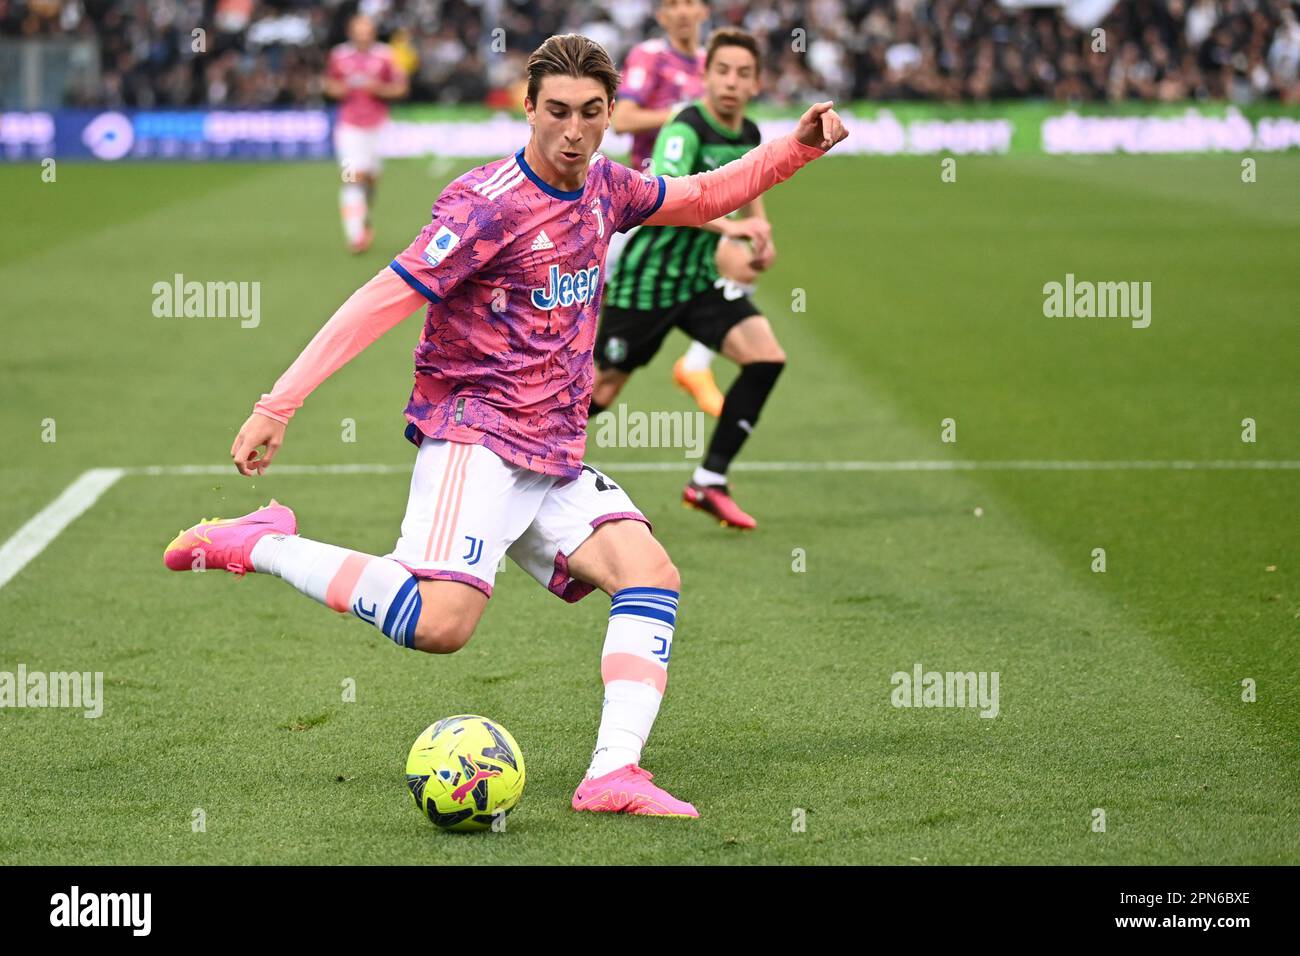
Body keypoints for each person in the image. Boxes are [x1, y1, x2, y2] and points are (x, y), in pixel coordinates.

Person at [163, 33, 846, 819]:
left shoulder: (608, 190)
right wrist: (277, 404)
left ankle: (611, 776)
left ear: (611, 115)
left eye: (592, 113)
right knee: (440, 626)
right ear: (528, 108)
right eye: (556, 111)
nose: (573, 130)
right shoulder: (486, 205)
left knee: (650, 574)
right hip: (476, 435)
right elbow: (382, 300)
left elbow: (698, 197)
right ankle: (259, 541)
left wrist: (796, 147)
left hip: (551, 448)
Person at [593, 28, 776, 529]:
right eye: (722, 71)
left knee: (765, 359)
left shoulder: (749, 135)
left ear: (757, 83)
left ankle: (709, 481)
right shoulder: (684, 127)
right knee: (600, 393)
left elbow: (752, 193)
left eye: (743, 74)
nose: (731, 83)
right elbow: (667, 197)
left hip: (696, 280)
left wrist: (761, 236)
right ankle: (519, 456)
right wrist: (735, 228)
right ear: (706, 76)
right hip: (648, 279)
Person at [611, 0, 731, 417]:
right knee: (592, 315)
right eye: (672, 4)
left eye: (690, 3)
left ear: (703, 11)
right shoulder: (650, 56)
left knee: (746, 256)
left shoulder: (714, 63)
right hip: (649, 193)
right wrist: (678, 114)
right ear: (661, 15)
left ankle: (696, 365)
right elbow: (622, 119)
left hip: (701, 195)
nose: (682, 11)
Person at [324, 14, 409, 254]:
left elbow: (401, 88)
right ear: (351, 32)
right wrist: (339, 89)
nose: (363, 35)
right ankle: (356, 235)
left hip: (378, 125)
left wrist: (379, 89)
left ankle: (364, 216)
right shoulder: (339, 55)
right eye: (358, 31)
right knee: (353, 177)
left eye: (367, 31)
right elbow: (328, 85)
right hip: (349, 126)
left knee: (369, 179)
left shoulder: (385, 55)